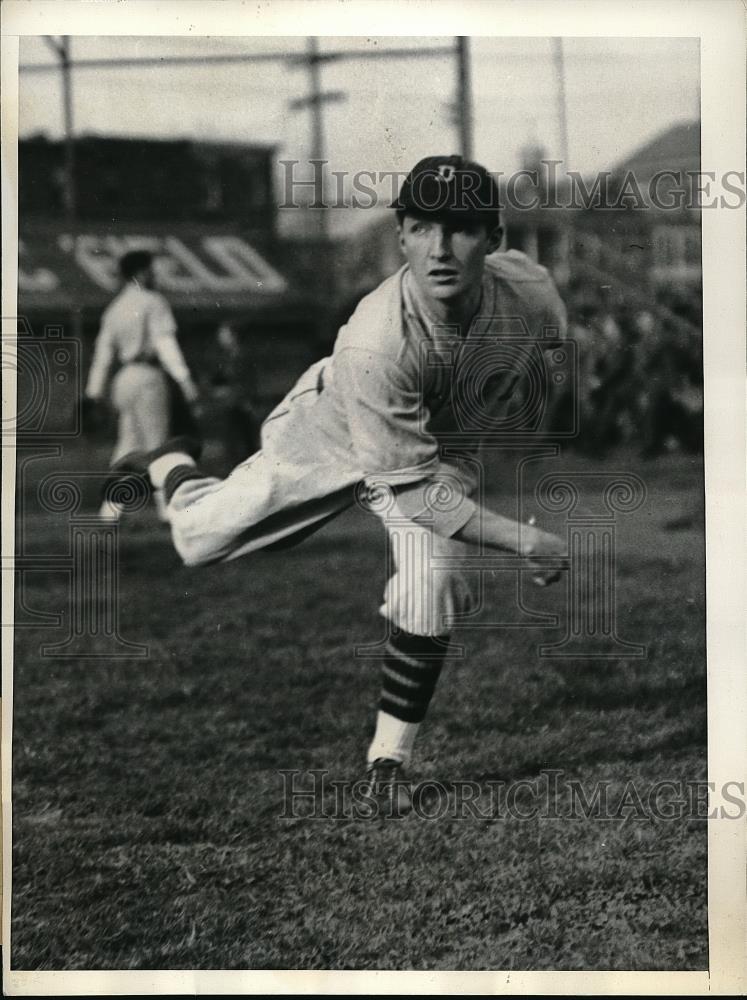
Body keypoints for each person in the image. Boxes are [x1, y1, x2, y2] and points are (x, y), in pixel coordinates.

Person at [111, 156, 568, 811]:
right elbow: (414, 497)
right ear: (400, 234)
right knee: (195, 540)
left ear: (493, 238)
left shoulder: (528, 289)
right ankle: (170, 465)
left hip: (437, 448)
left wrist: (534, 389)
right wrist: (523, 541)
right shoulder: (376, 340)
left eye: (462, 228)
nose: (440, 248)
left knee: (430, 581)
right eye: (422, 228)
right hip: (331, 431)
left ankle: (387, 763)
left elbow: (550, 347)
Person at [85, 250, 200, 521]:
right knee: (157, 444)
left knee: (128, 443)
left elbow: (103, 354)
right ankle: (168, 510)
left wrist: (93, 392)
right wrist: (184, 379)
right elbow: (165, 344)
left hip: (123, 379)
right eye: (149, 270)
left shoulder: (114, 308)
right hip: (148, 376)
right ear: (139, 273)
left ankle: (110, 510)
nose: (153, 274)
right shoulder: (153, 301)